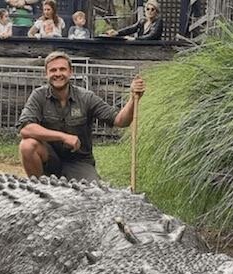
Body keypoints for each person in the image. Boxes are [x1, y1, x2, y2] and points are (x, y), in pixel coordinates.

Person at [18, 51, 145, 182]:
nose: (58, 74)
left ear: (70, 72)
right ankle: (39, 186)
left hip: (79, 161)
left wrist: (132, 99)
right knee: (27, 145)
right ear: (46, 74)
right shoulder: (38, 96)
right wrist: (63, 136)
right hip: (49, 158)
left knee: (94, 191)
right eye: (53, 70)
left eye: (62, 69)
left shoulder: (86, 97)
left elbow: (120, 121)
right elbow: (26, 129)